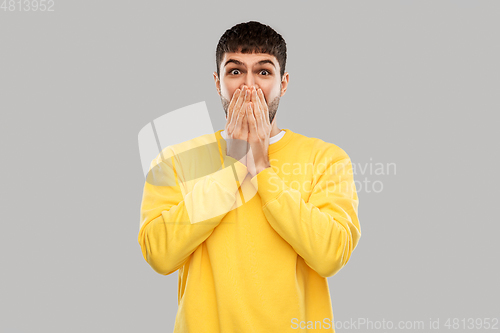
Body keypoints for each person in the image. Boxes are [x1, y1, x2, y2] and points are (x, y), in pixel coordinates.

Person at [138, 21, 361, 333]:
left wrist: (261, 170)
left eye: (264, 72)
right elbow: (159, 255)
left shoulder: (327, 159)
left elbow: (330, 257)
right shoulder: (175, 159)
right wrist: (235, 166)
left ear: (283, 83)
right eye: (235, 71)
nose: (249, 86)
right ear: (218, 82)